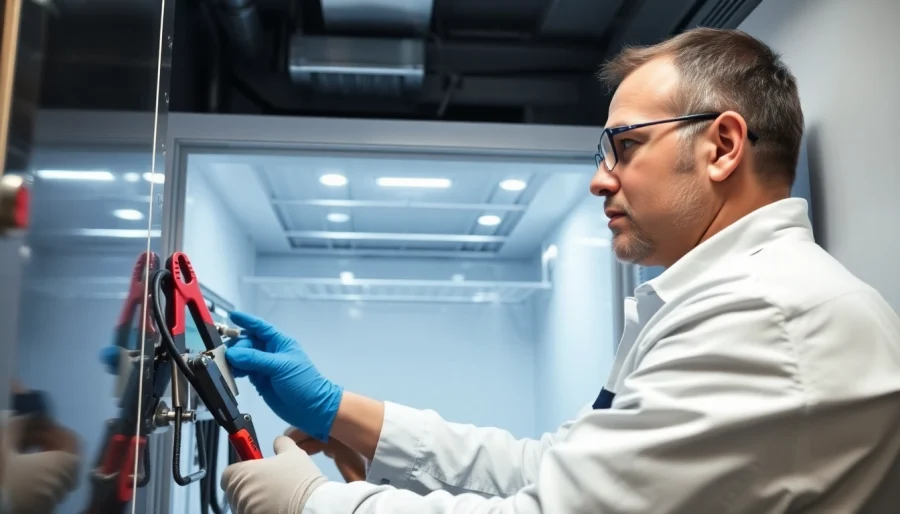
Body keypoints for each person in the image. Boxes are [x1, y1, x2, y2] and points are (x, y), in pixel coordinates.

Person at [219, 27, 900, 513]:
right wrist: (342, 411)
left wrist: (314, 504)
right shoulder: (725, 300)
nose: (599, 182)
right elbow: (553, 468)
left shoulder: (764, 317)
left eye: (625, 147)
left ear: (722, 145)